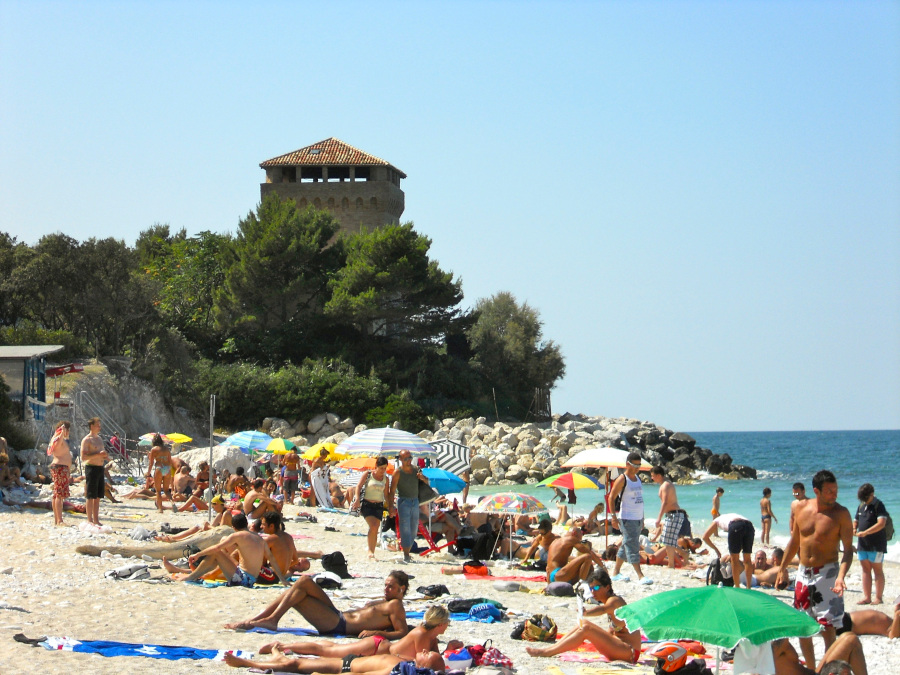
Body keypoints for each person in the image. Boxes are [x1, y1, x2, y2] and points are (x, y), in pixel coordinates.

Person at [776, 469, 854, 672]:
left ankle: (827, 670)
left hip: (828, 574)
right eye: (829, 491)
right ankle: (811, 670)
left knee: (828, 628)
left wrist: (841, 577)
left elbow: (848, 551)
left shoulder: (841, 514)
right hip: (803, 574)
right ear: (816, 491)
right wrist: (782, 568)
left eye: (835, 490)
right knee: (803, 626)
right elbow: (795, 541)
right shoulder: (800, 508)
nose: (834, 494)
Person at [225, 570, 410, 637]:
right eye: (385, 585)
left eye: (391, 587)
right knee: (303, 582)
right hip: (338, 615)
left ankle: (269, 620)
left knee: (298, 591)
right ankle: (262, 619)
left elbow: (401, 631)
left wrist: (377, 633)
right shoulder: (386, 602)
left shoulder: (396, 606)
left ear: (401, 589)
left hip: (339, 625)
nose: (386, 589)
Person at [254, 604, 449, 662]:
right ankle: (283, 646)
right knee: (329, 652)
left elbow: (435, 658)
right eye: (447, 622)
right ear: (440, 624)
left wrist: (449, 648)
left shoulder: (430, 635)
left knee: (333, 648)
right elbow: (423, 664)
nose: (448, 625)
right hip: (376, 648)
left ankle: (286, 646)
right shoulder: (422, 634)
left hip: (379, 648)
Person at [525, 567, 641, 663]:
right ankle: (550, 648)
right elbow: (612, 632)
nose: (593, 591)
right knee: (583, 624)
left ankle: (547, 652)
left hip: (629, 652)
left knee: (586, 628)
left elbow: (602, 610)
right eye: (591, 588)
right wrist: (599, 638)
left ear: (607, 587)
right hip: (620, 647)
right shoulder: (610, 603)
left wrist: (586, 613)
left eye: (596, 587)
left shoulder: (614, 601)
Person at [166, 512, 287, 587]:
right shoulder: (260, 539)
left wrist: (198, 554)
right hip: (251, 580)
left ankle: (191, 576)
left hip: (242, 579)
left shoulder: (238, 535)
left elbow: (217, 548)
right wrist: (282, 579)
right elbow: (272, 559)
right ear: (246, 524)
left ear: (234, 527)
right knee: (220, 554)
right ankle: (195, 574)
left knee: (217, 553)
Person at [224, 647, 445, 674]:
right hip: (350, 660)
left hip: (345, 668)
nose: (425, 650)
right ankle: (278, 656)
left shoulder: (398, 671)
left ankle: (249, 664)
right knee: (299, 662)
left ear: (424, 667)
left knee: (294, 665)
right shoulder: (407, 661)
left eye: (428, 655)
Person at [608, 451, 652, 584]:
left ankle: (616, 572)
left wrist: (642, 518)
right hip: (627, 517)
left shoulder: (637, 479)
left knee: (626, 544)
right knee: (632, 545)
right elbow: (611, 497)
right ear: (628, 464)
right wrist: (613, 517)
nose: (637, 468)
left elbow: (640, 499)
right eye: (635, 465)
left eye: (639, 465)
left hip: (637, 518)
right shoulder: (622, 479)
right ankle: (640, 575)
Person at [387, 450, 429, 563]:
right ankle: (406, 554)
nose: (409, 460)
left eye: (410, 458)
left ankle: (407, 550)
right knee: (405, 527)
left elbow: (427, 482)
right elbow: (392, 491)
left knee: (414, 528)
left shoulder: (416, 469)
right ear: (400, 459)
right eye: (406, 459)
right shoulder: (398, 472)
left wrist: (423, 478)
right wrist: (390, 507)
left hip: (415, 501)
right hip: (403, 501)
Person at [852, 483, 887, 605]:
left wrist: (866, 532)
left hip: (876, 544)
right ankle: (867, 597)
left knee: (877, 570)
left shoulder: (879, 505)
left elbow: (881, 523)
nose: (864, 500)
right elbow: (856, 520)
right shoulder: (861, 505)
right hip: (862, 544)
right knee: (865, 569)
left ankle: (878, 598)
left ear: (872, 494)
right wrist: (854, 528)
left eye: (866, 498)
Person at [770, 631, 867, 675]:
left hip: (813, 673)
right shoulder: (770, 649)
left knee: (847, 635)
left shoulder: (775, 643)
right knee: (851, 640)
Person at [702, 513, 755, 589]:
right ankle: (748, 587)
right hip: (749, 526)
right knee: (747, 559)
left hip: (736, 525)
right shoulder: (731, 515)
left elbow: (705, 537)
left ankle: (737, 587)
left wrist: (716, 549)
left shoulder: (717, 520)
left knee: (734, 559)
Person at [650, 466, 687, 568]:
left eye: (653, 476)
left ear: (659, 475)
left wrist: (659, 518)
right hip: (671, 514)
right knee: (667, 540)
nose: (652, 478)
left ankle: (672, 563)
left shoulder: (666, 485)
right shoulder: (665, 484)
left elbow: (665, 502)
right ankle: (678, 557)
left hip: (674, 514)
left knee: (668, 540)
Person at [80, 417, 108, 527]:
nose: (99, 427)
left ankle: (96, 519)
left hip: (100, 467)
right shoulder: (87, 440)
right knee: (90, 495)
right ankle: (89, 519)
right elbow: (83, 457)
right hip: (91, 468)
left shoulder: (99, 439)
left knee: (98, 496)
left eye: (100, 425)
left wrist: (105, 456)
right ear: (91, 426)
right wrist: (98, 455)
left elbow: (101, 453)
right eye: (97, 425)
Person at [47, 421, 72, 526]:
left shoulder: (59, 438)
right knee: (59, 494)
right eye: (68, 430)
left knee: (57, 494)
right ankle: (59, 520)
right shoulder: (57, 438)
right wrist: (62, 432)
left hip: (61, 468)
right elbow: (57, 446)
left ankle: (57, 520)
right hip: (60, 467)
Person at [146, 433, 174, 514]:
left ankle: (160, 509)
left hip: (159, 468)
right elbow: (170, 461)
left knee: (158, 491)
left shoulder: (154, 449)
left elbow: (151, 463)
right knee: (166, 490)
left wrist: (148, 473)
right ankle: (172, 503)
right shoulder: (166, 449)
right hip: (167, 469)